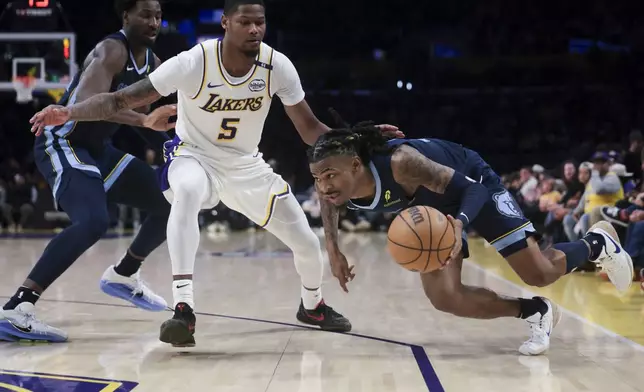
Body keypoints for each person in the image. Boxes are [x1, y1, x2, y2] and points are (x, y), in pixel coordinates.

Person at [29, 0, 402, 347]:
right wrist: (70, 112)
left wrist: (359, 137)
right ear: (226, 23)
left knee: (305, 241)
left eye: (260, 22)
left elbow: (309, 127)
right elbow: (120, 100)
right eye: (245, 22)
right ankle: (183, 310)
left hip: (245, 165)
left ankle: (312, 305)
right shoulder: (194, 61)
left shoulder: (277, 66)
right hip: (193, 155)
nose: (255, 30)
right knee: (187, 190)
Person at [307, 122, 634, 356]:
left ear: (354, 165)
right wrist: (333, 250)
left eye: (330, 175)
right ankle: (534, 311)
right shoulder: (334, 185)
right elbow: (326, 201)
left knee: (538, 273)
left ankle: (597, 243)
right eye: (317, 178)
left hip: (473, 182)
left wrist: (460, 224)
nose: (323, 186)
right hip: (430, 203)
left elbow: (472, 189)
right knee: (445, 297)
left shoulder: (401, 163)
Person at [0, 0, 176, 343]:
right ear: (125, 15)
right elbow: (88, 106)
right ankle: (17, 307)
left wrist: (172, 144)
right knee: (94, 221)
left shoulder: (153, 64)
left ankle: (124, 275)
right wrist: (143, 119)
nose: (153, 21)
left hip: (99, 152)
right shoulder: (110, 51)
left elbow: (148, 118)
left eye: (158, 15)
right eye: (145, 14)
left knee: (168, 202)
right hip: (63, 143)